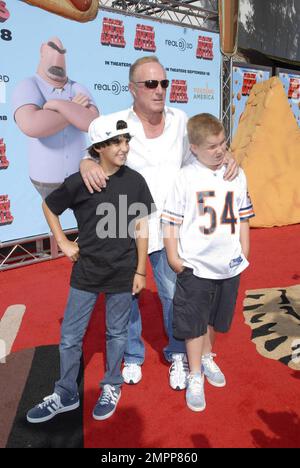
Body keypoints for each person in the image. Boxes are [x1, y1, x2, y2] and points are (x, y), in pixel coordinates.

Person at [79, 56, 239, 391]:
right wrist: (84, 162)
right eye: (151, 83)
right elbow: (92, 148)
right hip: (128, 224)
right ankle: (134, 355)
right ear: (132, 89)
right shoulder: (116, 123)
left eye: (163, 83)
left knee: (172, 295)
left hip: (170, 226)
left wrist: (229, 157)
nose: (159, 90)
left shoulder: (181, 120)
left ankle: (179, 353)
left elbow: (202, 152)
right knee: (128, 295)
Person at [26, 115, 155, 423]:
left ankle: (112, 384)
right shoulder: (79, 180)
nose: (124, 147)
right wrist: (63, 242)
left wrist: (140, 270)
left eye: (126, 141)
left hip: (124, 271)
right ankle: (65, 393)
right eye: (116, 142)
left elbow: (140, 226)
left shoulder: (136, 180)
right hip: (86, 272)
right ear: (98, 147)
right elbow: (49, 206)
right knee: (70, 336)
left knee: (116, 333)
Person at [162, 113, 254, 412]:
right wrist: (174, 257)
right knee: (193, 322)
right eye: (212, 146)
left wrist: (245, 252)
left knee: (216, 320)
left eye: (223, 143)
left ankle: (205, 357)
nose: (220, 150)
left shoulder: (236, 173)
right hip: (196, 265)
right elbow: (171, 221)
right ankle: (195, 375)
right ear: (194, 148)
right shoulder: (184, 177)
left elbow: (242, 218)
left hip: (229, 263)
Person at [12, 36, 99, 199]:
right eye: (53, 48)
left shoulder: (77, 87)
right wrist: (75, 109)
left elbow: (93, 122)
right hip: (43, 182)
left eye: (62, 52)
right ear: (42, 50)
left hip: (79, 179)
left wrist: (58, 105)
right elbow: (31, 124)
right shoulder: (28, 85)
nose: (58, 54)